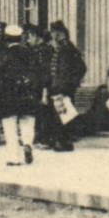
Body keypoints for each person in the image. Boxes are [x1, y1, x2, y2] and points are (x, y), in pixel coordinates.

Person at [0, 23, 46, 165]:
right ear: (20, 37)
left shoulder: (3, 56)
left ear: (7, 38)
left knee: (10, 127)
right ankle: (27, 144)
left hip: (8, 96)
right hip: (27, 95)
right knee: (27, 122)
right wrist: (37, 94)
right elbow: (38, 75)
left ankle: (14, 158)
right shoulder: (30, 53)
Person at [38, 20, 87, 152]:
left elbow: (77, 69)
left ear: (59, 33)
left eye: (54, 32)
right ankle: (59, 141)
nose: (52, 35)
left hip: (63, 89)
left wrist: (69, 86)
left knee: (63, 116)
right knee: (59, 115)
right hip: (58, 88)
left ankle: (63, 142)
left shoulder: (67, 48)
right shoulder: (61, 48)